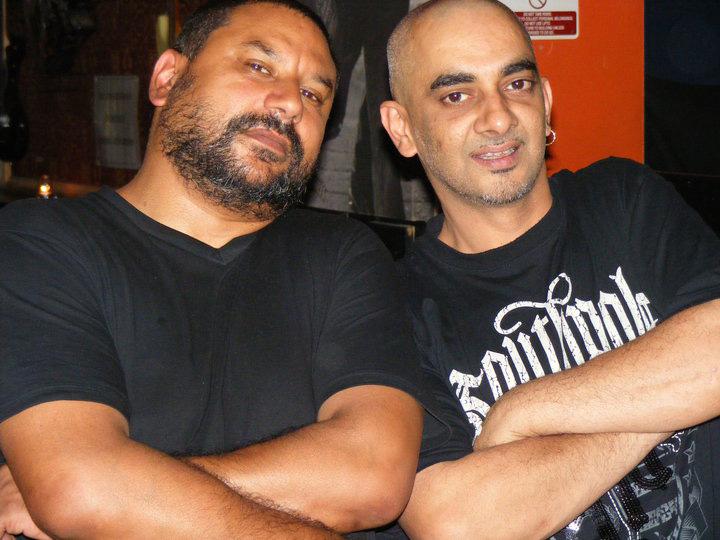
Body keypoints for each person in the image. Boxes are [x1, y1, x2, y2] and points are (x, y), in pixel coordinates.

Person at [0, 1, 424, 538]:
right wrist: (90, 488)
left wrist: (117, 492)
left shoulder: (345, 255)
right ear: (167, 78)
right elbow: (78, 483)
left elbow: (374, 475)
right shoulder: (41, 243)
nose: (291, 103)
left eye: (314, 95)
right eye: (259, 66)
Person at [379, 0, 720, 538]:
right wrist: (670, 399)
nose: (498, 117)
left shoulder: (622, 197)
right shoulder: (393, 305)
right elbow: (459, 524)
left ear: (546, 101)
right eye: (457, 95)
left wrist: (526, 412)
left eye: (516, 84)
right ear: (402, 128)